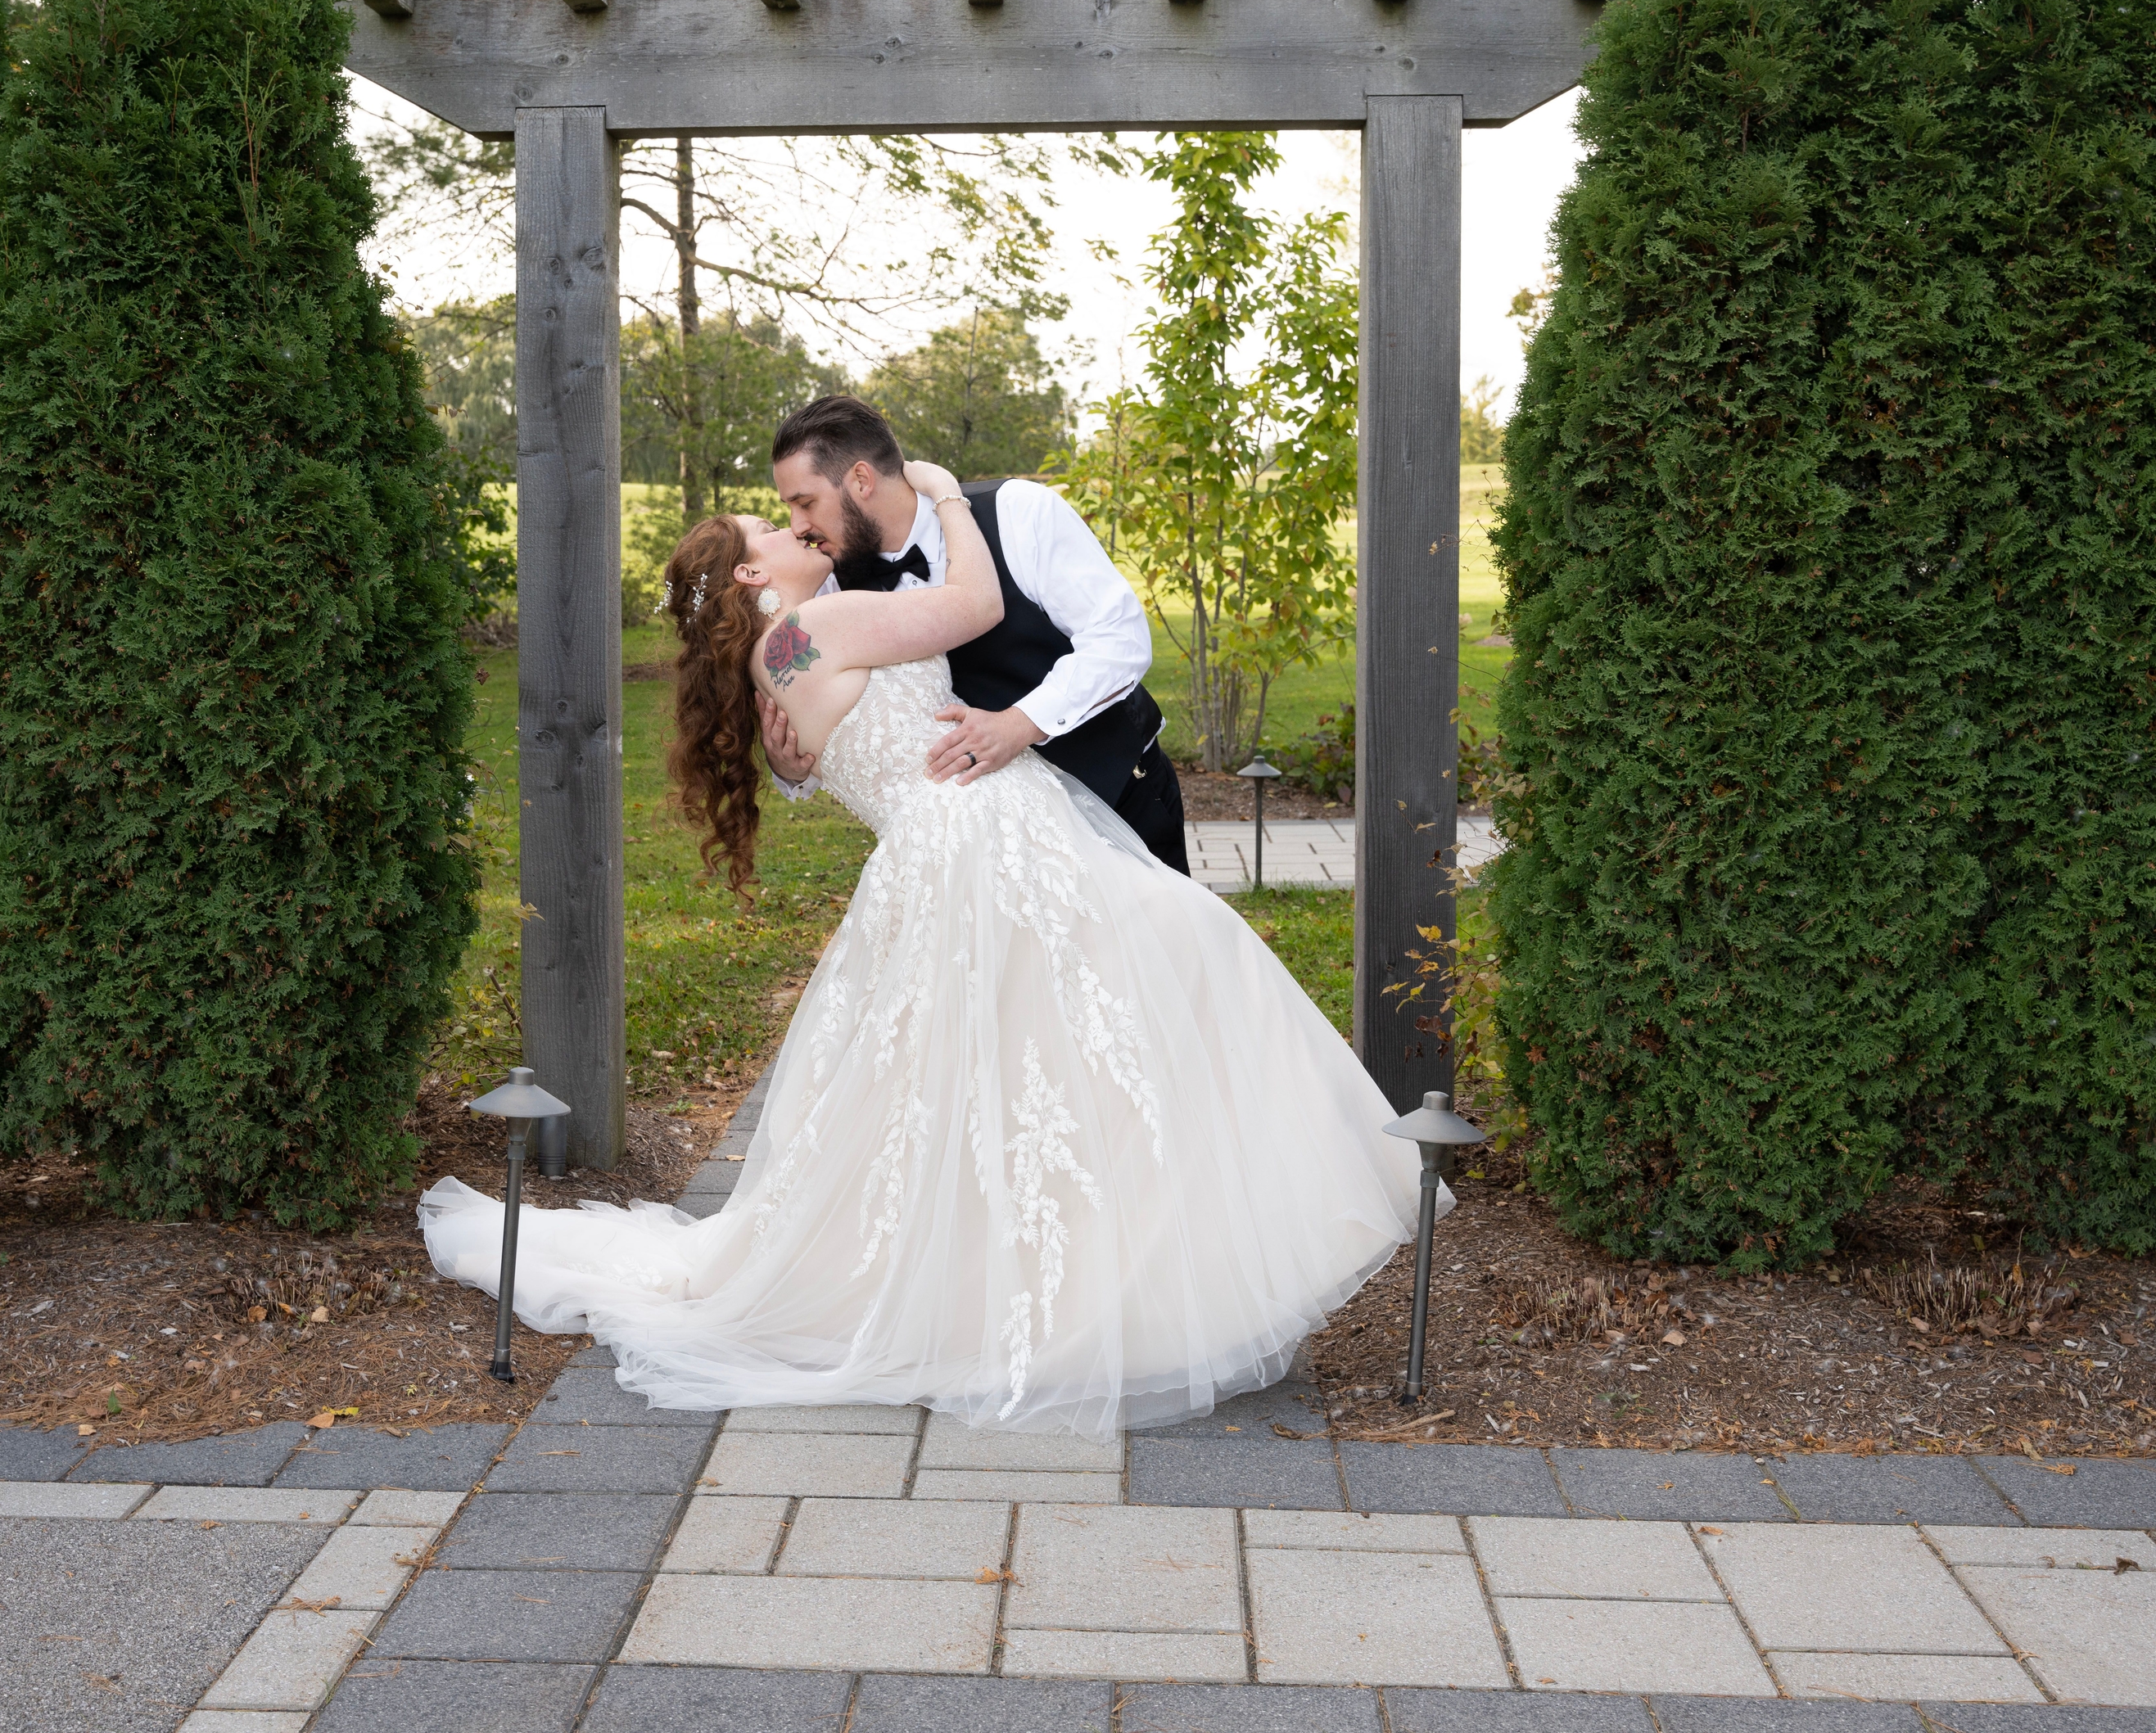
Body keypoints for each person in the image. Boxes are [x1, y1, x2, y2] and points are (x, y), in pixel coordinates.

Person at [415, 460, 1438, 1437]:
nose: (796, 528)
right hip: (980, 841)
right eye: (775, 527)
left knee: (1024, 1062)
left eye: (794, 509)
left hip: (948, 849)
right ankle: (1183, 1255)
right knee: (1173, 970)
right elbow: (973, 609)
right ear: (751, 576)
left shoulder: (777, 658)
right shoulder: (816, 624)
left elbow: (822, 751)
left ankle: (1082, 1275)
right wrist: (948, 496)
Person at [756, 395, 1191, 875]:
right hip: (990, 847)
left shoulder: (1015, 511)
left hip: (1120, 795)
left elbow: (1119, 638)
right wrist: (791, 770)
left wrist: (1021, 724)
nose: (798, 526)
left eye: (805, 503)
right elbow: (847, 722)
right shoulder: (831, 582)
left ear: (861, 480)